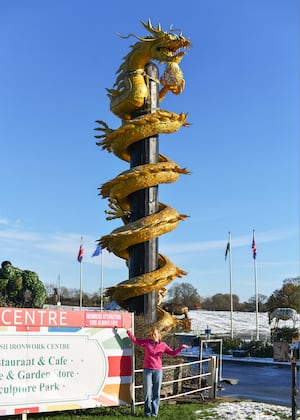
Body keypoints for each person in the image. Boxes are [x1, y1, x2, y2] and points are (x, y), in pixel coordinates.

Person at [127, 326, 191, 417]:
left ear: (159, 335)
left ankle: (154, 413)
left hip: (157, 370)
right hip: (147, 370)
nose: (153, 336)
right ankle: (147, 413)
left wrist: (181, 347)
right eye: (152, 334)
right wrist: (128, 332)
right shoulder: (146, 342)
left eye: (155, 334)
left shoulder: (163, 345)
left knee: (156, 392)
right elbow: (136, 340)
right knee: (147, 392)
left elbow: (172, 353)